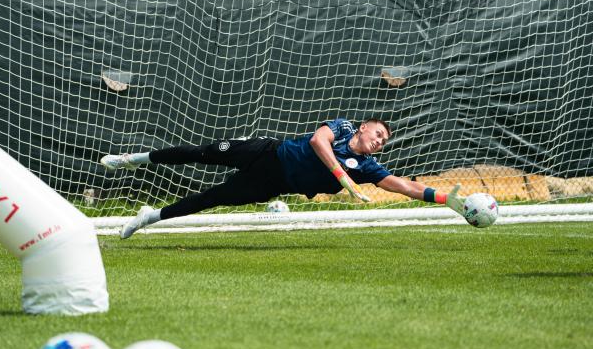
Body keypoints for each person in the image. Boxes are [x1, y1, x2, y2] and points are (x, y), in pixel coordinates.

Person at [101, 118, 466, 239]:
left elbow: (404, 185)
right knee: (202, 152)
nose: (379, 141)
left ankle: (150, 216)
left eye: (384, 142)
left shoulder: (368, 168)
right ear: (366, 126)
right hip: (266, 152)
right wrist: (343, 178)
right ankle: (134, 159)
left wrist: (443, 198)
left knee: (210, 198)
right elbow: (317, 142)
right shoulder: (342, 128)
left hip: (270, 183)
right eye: (378, 134)